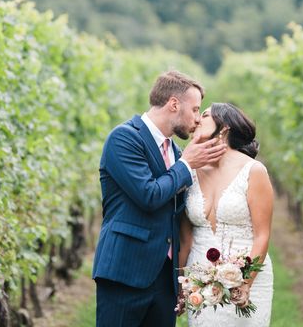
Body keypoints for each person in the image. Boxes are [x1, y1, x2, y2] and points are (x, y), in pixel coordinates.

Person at [92, 71, 227, 327]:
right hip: (125, 271)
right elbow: (149, 195)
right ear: (174, 104)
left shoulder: (174, 151)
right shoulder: (124, 138)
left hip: (164, 277)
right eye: (196, 110)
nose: (198, 120)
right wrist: (187, 164)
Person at [179, 102, 274, 326]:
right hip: (200, 279)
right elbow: (186, 238)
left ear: (224, 127)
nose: (197, 120)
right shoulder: (189, 171)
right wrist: (180, 285)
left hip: (246, 276)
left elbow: (262, 235)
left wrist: (246, 283)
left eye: (204, 114)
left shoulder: (253, 171)